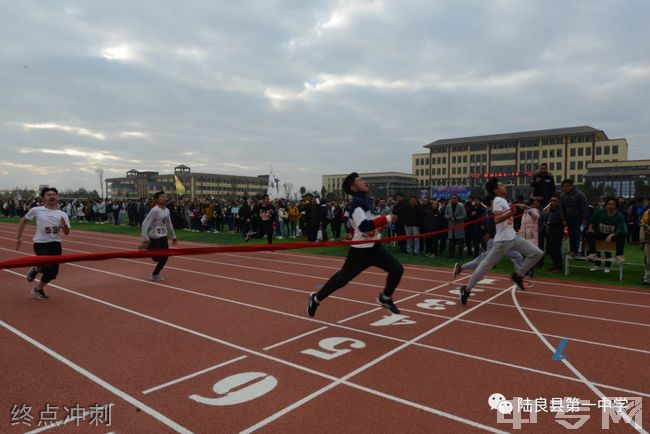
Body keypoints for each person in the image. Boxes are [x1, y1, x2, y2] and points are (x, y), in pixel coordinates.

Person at [307, 172, 403, 317]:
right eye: (360, 180)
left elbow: (368, 221)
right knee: (341, 280)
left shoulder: (367, 201)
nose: (364, 182)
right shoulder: (357, 204)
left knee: (396, 269)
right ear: (353, 187)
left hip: (374, 248)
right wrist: (387, 218)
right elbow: (364, 226)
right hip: (359, 252)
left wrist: (381, 222)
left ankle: (385, 298)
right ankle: (316, 298)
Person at [455, 178, 544, 305]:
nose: (505, 186)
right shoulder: (497, 200)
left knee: (537, 253)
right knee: (484, 266)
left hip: (513, 237)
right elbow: (497, 219)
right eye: (502, 185)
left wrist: (518, 206)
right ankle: (466, 289)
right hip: (503, 241)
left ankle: (517, 275)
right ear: (496, 189)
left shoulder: (503, 200)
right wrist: (511, 213)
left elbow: (505, 212)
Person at [16, 187, 71, 300]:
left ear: (57, 197)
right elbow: (23, 220)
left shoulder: (63, 214)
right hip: (41, 243)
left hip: (55, 244)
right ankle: (37, 268)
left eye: (54, 194)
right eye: (48, 195)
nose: (52, 196)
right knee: (47, 265)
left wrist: (64, 226)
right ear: (43, 198)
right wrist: (19, 237)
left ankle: (38, 289)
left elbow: (66, 233)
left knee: (53, 273)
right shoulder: (36, 210)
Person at [140, 191, 178, 282]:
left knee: (165, 256)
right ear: (157, 200)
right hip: (154, 237)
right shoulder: (155, 210)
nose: (164, 198)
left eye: (165, 196)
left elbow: (169, 224)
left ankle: (155, 274)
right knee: (156, 258)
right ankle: (149, 246)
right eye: (161, 197)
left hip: (163, 236)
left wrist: (174, 236)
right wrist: (145, 238)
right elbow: (145, 223)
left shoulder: (167, 210)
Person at [586, 197, 626, 272]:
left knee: (622, 236)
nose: (610, 206)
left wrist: (611, 235)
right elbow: (592, 219)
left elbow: (621, 229)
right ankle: (593, 255)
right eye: (609, 204)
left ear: (616, 206)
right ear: (606, 205)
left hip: (612, 235)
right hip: (600, 233)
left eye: (613, 204)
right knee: (589, 234)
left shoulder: (619, 216)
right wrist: (590, 228)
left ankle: (618, 256)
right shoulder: (601, 212)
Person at [559, 178, 589, 257]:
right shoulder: (562, 195)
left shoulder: (579, 195)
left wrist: (584, 219)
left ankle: (579, 251)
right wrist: (563, 219)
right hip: (568, 218)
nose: (565, 188)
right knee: (571, 235)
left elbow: (584, 207)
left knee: (578, 235)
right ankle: (572, 250)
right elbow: (561, 208)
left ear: (572, 186)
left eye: (567, 186)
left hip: (578, 218)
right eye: (564, 186)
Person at [545, 194, 564, 272]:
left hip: (557, 233)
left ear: (558, 201)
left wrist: (550, 222)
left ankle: (559, 267)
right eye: (551, 200)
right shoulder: (550, 210)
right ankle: (554, 265)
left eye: (555, 200)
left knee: (556, 250)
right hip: (550, 232)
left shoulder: (560, 210)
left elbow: (558, 221)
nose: (553, 202)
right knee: (551, 250)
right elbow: (547, 220)